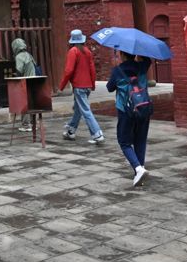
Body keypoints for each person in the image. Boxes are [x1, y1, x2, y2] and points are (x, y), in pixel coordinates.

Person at [107, 51, 153, 186]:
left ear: (122, 55)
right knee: (140, 141)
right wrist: (141, 52)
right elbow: (148, 60)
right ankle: (140, 172)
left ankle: (138, 169)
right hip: (143, 108)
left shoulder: (118, 70)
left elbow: (110, 88)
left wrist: (115, 67)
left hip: (126, 110)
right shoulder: (143, 66)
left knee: (124, 142)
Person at [59, 29, 103, 144]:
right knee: (79, 109)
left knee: (85, 110)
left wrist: (62, 86)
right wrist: (92, 84)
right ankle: (71, 131)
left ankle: (97, 133)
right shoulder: (87, 51)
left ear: (72, 41)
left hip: (79, 86)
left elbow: (68, 71)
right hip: (87, 85)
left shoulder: (73, 51)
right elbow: (92, 70)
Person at [11, 38, 38, 132]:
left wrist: (14, 76)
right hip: (34, 81)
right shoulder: (28, 55)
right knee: (32, 103)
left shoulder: (19, 57)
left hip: (25, 82)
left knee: (24, 104)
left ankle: (26, 124)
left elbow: (19, 70)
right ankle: (33, 123)